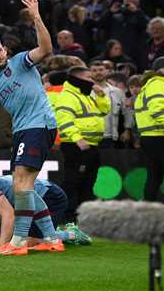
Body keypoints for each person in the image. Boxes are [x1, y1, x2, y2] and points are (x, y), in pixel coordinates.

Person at [0, 0, 58, 256]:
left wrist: (36, 18)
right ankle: (52, 238)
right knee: (22, 185)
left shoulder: (20, 62)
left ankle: (18, 243)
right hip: (23, 130)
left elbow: (46, 49)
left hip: (39, 124)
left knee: (21, 182)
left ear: (5, 50)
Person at [0, 175, 91, 250]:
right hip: (20, 206)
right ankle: (51, 231)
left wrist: (1, 249)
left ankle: (71, 234)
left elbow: (9, 215)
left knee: (31, 242)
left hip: (47, 195)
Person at [55, 66, 110, 222]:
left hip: (91, 145)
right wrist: (78, 139)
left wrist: (101, 95)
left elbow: (104, 111)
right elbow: (63, 120)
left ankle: (82, 216)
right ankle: (67, 216)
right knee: (73, 182)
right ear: (77, 79)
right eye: (88, 78)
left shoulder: (86, 95)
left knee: (88, 182)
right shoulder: (67, 96)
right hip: (76, 146)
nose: (92, 82)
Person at [135, 57, 164, 203]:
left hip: (150, 136)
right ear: (156, 70)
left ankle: (148, 211)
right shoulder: (159, 84)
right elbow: (158, 111)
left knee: (154, 176)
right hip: (163, 135)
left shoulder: (149, 85)